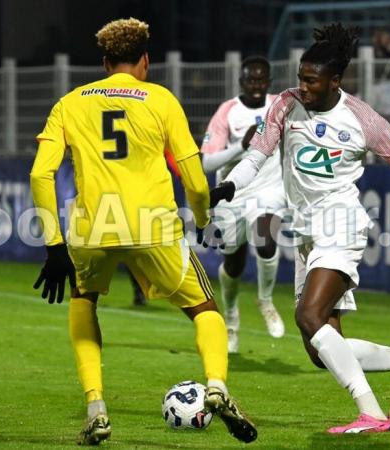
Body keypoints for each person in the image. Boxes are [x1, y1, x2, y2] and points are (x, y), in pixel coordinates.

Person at [210, 23, 390, 433]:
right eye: (300, 77)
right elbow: (257, 155)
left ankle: (373, 413)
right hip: (305, 234)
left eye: (311, 80)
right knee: (321, 350)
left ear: (335, 80)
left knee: (309, 316)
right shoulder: (285, 105)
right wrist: (231, 185)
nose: (302, 86)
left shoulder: (361, 119)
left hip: (341, 227)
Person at [29, 18, 256, 445]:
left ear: (105, 62)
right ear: (146, 61)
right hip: (154, 224)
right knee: (204, 309)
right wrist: (203, 220)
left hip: (92, 225)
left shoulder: (70, 102)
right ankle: (217, 387)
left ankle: (96, 406)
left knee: (84, 301)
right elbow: (193, 177)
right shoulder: (160, 99)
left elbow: (40, 174)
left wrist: (53, 244)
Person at [200, 56, 286, 353]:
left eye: (261, 80)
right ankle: (232, 316)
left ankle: (265, 299)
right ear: (242, 81)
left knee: (265, 241)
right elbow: (208, 161)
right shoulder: (228, 111)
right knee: (233, 264)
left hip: (270, 190)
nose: (256, 85)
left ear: (269, 81)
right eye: (251, 80)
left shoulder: (280, 106)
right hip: (232, 194)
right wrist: (241, 146)